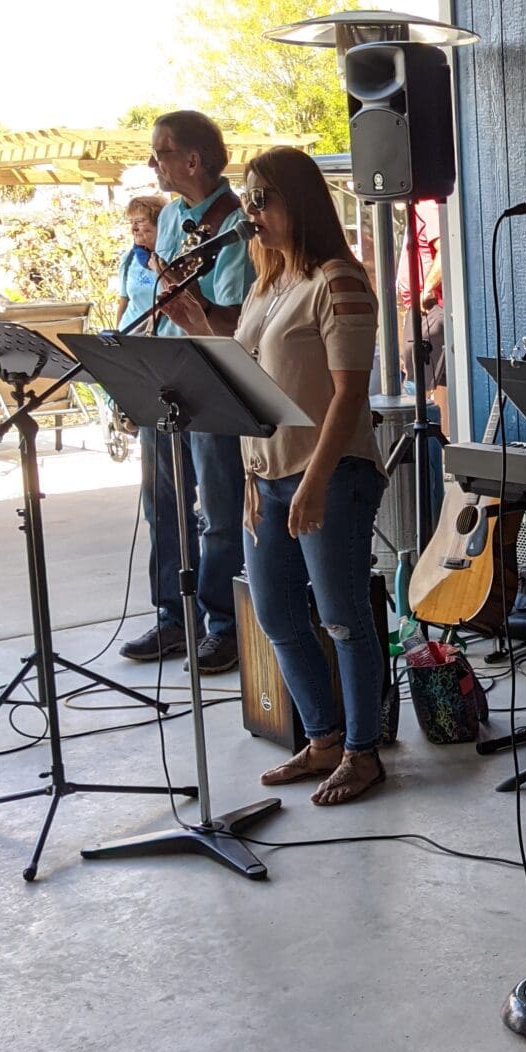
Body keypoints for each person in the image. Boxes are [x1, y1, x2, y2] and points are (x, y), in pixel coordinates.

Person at [200, 147, 385, 805]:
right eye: (248, 198)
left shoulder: (337, 281)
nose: (252, 213)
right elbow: (248, 375)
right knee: (276, 611)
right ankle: (325, 738)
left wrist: (313, 480)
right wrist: (255, 470)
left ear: (299, 202)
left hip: (331, 475)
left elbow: (348, 396)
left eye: (263, 199)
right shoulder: (266, 283)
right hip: (270, 475)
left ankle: (364, 752)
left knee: (342, 617)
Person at [119, 112, 254, 672]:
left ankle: (222, 624)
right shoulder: (171, 215)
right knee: (162, 504)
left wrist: (189, 307)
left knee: (219, 511)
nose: (153, 164)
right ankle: (175, 619)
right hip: (164, 373)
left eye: (159, 153)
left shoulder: (237, 222)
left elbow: (234, 317)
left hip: (213, 378)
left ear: (192, 160)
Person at [397, 199, 446, 431]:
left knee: (421, 388)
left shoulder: (426, 206)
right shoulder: (415, 211)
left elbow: (443, 248)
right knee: (425, 384)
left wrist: (427, 288)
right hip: (418, 308)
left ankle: (431, 455)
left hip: (429, 307)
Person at [114, 193, 166, 330]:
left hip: (162, 339)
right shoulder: (129, 258)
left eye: (139, 221)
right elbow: (124, 302)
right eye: (131, 222)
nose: (133, 228)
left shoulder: (174, 258)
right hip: (131, 336)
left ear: (160, 224)